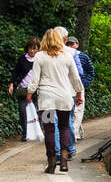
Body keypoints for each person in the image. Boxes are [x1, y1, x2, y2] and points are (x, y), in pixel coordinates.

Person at [29, 28, 82, 174]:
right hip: (64, 98)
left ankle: (52, 160)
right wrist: (79, 93)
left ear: (44, 40)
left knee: (50, 129)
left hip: (47, 101)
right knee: (64, 126)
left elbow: (34, 80)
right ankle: (64, 159)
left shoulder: (39, 56)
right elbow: (75, 78)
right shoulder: (67, 56)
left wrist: (30, 93)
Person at [64, 35, 94, 149]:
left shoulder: (83, 57)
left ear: (77, 45)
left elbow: (90, 72)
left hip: (79, 86)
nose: (71, 46)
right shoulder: (64, 56)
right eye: (68, 44)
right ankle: (78, 132)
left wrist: (83, 84)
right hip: (67, 87)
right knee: (72, 111)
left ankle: (74, 135)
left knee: (78, 111)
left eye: (73, 44)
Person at [7, 38, 40, 140]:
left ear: (38, 49)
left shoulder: (40, 59)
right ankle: (25, 133)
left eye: (35, 49)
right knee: (22, 111)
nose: (32, 51)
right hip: (23, 89)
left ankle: (37, 131)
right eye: (30, 48)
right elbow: (15, 72)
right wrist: (11, 84)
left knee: (38, 110)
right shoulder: (22, 59)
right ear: (27, 48)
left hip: (37, 89)